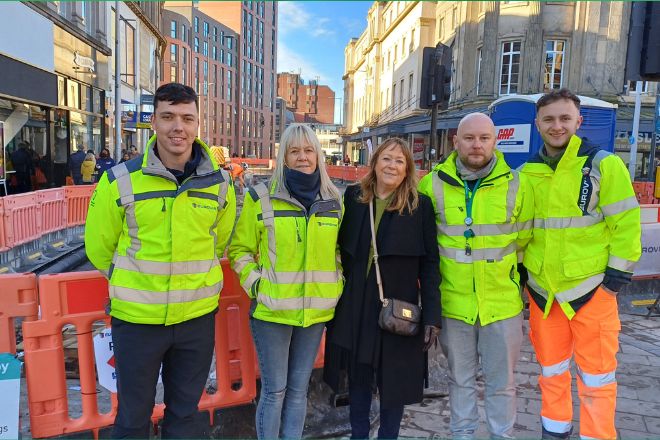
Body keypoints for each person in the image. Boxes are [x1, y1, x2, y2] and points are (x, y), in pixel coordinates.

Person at [85, 82, 236, 439]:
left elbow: (220, 240)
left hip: (196, 320)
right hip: (137, 323)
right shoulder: (119, 181)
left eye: (187, 118)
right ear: (154, 121)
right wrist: (138, 284)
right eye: (168, 117)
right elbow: (99, 247)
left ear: (198, 124)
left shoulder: (220, 184)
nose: (177, 127)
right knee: (132, 419)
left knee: (185, 416)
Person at [519, 89, 641, 439]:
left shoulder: (603, 164)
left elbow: (626, 225)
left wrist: (612, 284)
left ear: (578, 121)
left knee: (597, 379)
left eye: (565, 118)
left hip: (592, 292)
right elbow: (524, 233)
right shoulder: (528, 172)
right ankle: (554, 432)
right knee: (551, 373)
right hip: (545, 295)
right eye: (549, 119)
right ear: (537, 124)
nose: (557, 126)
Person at [418, 113, 534, 439]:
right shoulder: (432, 184)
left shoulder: (516, 184)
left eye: (484, 138)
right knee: (460, 380)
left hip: (502, 305)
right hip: (455, 306)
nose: (477, 145)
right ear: (456, 142)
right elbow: (427, 247)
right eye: (469, 138)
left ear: (495, 142)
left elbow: (524, 242)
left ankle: (501, 435)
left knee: (502, 383)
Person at [228, 123, 343, 440]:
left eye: (309, 150)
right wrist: (257, 286)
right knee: (275, 391)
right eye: (295, 151)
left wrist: (337, 284)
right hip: (273, 312)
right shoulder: (261, 198)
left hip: (315, 313)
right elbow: (239, 249)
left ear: (318, 155)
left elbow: (339, 251)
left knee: (298, 390)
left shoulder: (334, 200)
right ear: (284, 157)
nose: (303, 157)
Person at [324, 138, 442, 439]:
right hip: (357, 305)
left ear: (407, 169)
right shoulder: (354, 197)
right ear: (375, 163)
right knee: (359, 378)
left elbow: (430, 264)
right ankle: (359, 435)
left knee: (394, 382)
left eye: (399, 161)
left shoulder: (420, 206)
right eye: (387, 159)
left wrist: (432, 316)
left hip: (398, 308)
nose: (392, 165)